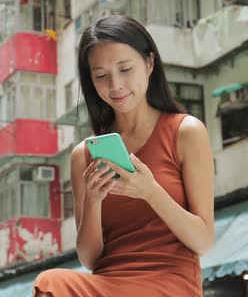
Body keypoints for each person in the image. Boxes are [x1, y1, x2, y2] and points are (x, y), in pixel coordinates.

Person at [33, 15, 215, 296]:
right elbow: (90, 260)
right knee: (50, 283)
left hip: (169, 283)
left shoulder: (186, 132)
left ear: (149, 63)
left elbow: (203, 242)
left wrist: (150, 191)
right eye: (101, 76)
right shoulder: (84, 155)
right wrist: (93, 201)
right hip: (108, 284)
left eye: (125, 69)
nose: (115, 85)